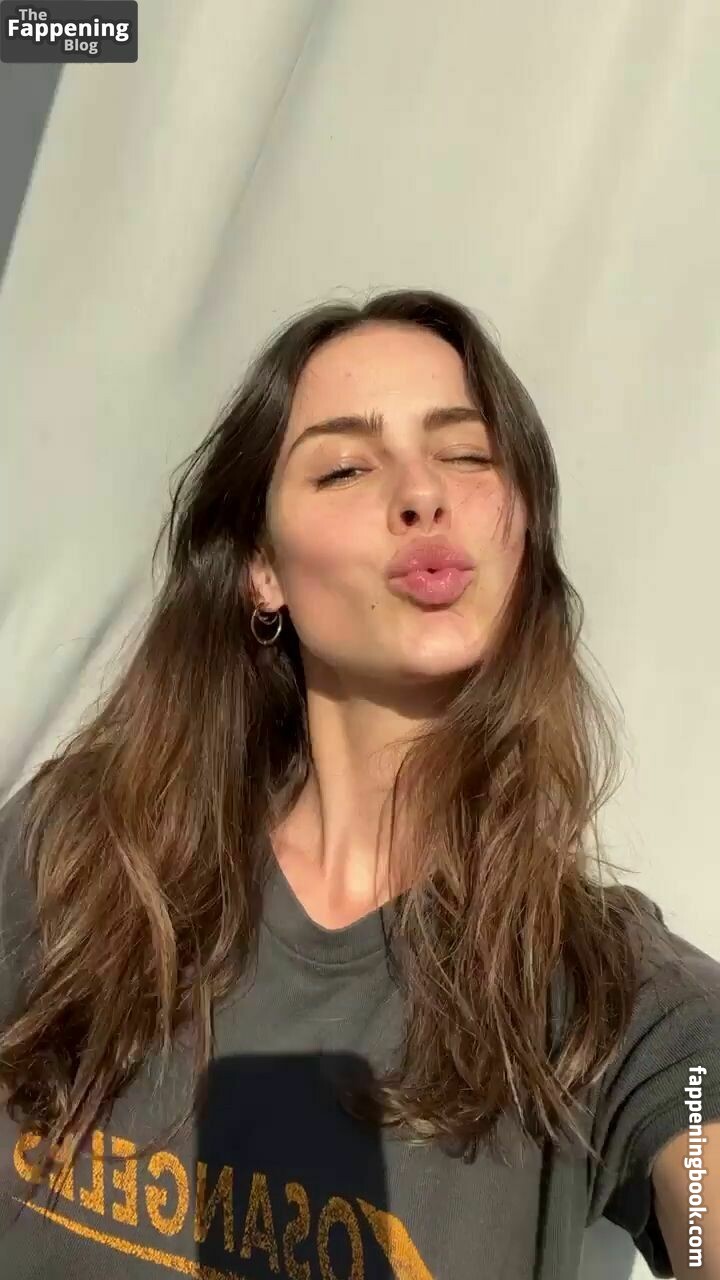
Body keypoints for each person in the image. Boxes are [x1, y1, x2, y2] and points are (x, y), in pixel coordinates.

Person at [0, 289, 718, 1280]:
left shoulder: (612, 994)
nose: (422, 494)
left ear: (519, 532)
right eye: (346, 466)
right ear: (262, 569)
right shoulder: (78, 856)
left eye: (467, 455)